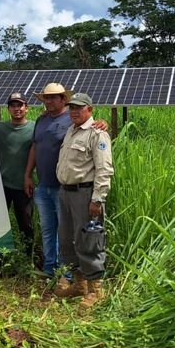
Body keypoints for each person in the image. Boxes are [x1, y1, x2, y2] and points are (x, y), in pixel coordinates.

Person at [24, 83, 107, 278]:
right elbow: (35, 147)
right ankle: (51, 269)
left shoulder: (75, 123)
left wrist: (102, 122)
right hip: (47, 188)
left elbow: (102, 161)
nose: (49, 101)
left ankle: (72, 276)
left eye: (54, 97)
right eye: (46, 98)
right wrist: (28, 175)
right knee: (53, 230)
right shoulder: (44, 120)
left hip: (70, 189)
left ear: (63, 100)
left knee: (76, 234)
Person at [52, 93, 114, 307]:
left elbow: (104, 169)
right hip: (66, 193)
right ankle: (79, 285)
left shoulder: (97, 133)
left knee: (89, 240)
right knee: (68, 239)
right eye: (71, 108)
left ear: (90, 109)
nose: (74, 111)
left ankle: (95, 291)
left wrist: (97, 199)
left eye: (79, 108)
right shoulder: (71, 130)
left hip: (85, 194)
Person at [0, 92, 36, 254]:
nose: (17, 109)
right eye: (13, 105)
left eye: (20, 105)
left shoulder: (34, 127)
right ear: (8, 109)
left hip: (23, 186)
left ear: (27, 108)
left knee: (25, 224)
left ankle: (30, 259)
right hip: (1, 185)